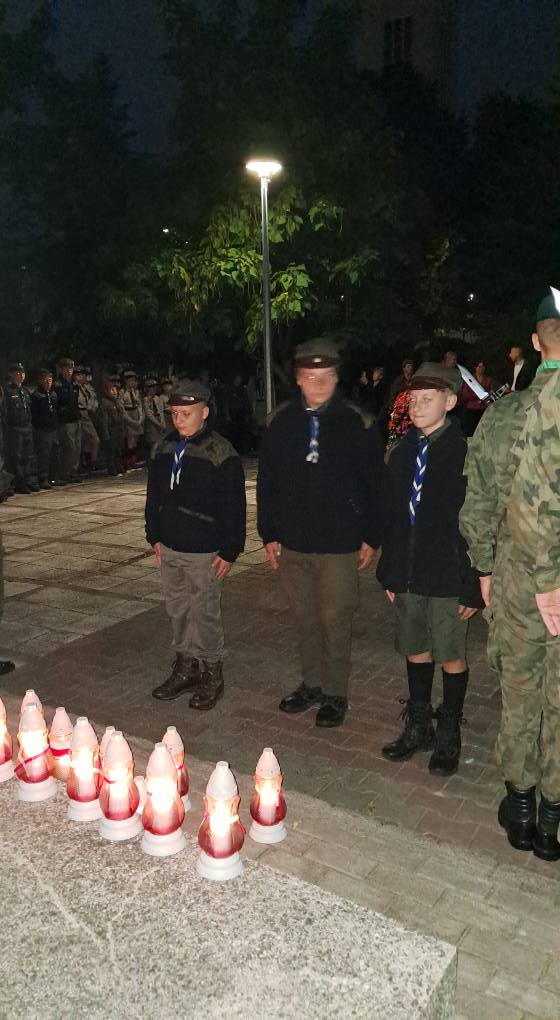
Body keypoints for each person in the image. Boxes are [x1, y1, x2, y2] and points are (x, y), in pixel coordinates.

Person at [460, 289, 560, 858]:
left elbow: (478, 501)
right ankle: (553, 819)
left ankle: (521, 807)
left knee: (521, 691)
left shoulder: (502, 415)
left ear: (535, 343)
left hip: (517, 573)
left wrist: (484, 566)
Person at [257, 338, 384, 728]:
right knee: (305, 617)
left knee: (335, 617)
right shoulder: (280, 422)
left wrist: (371, 535)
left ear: (336, 376)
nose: (319, 383)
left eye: (326, 375)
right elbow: (267, 482)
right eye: (311, 376)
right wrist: (268, 532)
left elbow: (375, 485)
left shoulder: (358, 423)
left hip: (339, 542)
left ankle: (335, 692)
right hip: (293, 540)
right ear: (298, 378)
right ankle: (311, 683)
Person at [377, 362, 482, 775]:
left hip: (448, 574)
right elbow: (391, 516)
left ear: (450, 401)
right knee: (415, 647)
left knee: (451, 653)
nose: (417, 405)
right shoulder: (401, 453)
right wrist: (389, 569)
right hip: (408, 571)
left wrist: (474, 582)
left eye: (428, 398)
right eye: (413, 398)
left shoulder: (464, 454)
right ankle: (418, 723)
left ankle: (449, 729)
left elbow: (478, 522)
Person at [146, 380, 246, 710]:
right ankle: (185, 666)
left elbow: (234, 505)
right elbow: (154, 495)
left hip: (204, 549)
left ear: (204, 412)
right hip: (170, 545)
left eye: (186, 413)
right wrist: (154, 535)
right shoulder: (164, 447)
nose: (179, 420)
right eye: (174, 413)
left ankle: (211, 671)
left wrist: (230, 550)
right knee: (177, 609)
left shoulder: (220, 452)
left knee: (204, 612)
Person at [5, 362, 39, 494]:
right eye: (17, 372)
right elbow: (6, 412)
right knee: (16, 457)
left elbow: (29, 410)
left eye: (22, 372)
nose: (20, 375)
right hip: (15, 429)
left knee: (27, 456)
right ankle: (19, 483)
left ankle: (27, 480)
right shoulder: (8, 391)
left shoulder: (25, 391)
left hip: (27, 427)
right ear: (11, 374)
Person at [31, 369, 63, 488]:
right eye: (46, 380)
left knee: (55, 453)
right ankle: (43, 478)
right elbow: (35, 413)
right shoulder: (36, 395)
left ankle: (54, 477)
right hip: (42, 429)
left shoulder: (53, 394)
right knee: (44, 454)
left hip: (53, 428)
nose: (48, 382)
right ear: (40, 381)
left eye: (50, 380)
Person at [54, 357, 82, 483]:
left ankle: (73, 472)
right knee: (68, 448)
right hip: (65, 421)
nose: (69, 371)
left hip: (76, 418)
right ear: (61, 370)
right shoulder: (58, 385)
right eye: (66, 368)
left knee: (77, 448)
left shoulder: (74, 384)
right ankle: (64, 472)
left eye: (71, 368)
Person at [74, 365, 100, 473]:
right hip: (80, 413)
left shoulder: (88, 387)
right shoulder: (74, 387)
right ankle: (88, 462)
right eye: (78, 375)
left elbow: (93, 398)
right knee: (91, 439)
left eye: (82, 375)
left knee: (86, 440)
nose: (81, 377)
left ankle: (89, 462)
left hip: (89, 414)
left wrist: (94, 406)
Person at [459, 358, 493, 437]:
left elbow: (490, 394)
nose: (481, 368)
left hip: (484, 410)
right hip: (471, 409)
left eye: (482, 366)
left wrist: (485, 398)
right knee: (470, 431)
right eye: (479, 366)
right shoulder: (469, 379)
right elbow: (465, 394)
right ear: (475, 368)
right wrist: (478, 397)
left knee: (482, 431)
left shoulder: (489, 380)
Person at [98, 379, 125, 475]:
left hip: (119, 428)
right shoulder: (105, 402)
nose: (114, 392)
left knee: (118, 448)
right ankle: (111, 467)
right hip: (111, 429)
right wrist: (106, 434)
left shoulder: (117, 401)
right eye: (111, 390)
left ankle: (118, 464)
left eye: (115, 390)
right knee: (112, 450)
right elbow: (104, 419)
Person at [120, 370, 145, 470]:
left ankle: (133, 460)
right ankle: (127, 461)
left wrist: (140, 418)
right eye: (130, 380)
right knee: (130, 440)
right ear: (125, 381)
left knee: (135, 440)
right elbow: (122, 408)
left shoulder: (136, 392)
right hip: (128, 415)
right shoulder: (122, 392)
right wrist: (130, 421)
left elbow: (140, 406)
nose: (132, 382)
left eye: (133, 380)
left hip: (136, 414)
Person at [143, 377, 167, 459]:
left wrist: (162, 422)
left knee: (159, 443)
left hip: (159, 421)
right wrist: (158, 424)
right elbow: (149, 414)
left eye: (154, 387)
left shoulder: (158, 398)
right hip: (151, 424)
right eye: (151, 387)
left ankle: (156, 459)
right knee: (153, 443)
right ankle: (152, 459)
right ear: (147, 388)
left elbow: (161, 411)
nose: (153, 389)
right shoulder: (145, 400)